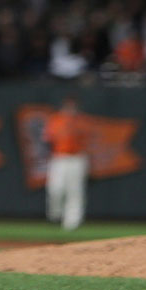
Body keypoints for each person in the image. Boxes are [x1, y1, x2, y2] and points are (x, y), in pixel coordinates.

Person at [43, 96, 89, 230]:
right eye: (68, 106)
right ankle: (55, 214)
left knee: (75, 191)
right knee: (55, 189)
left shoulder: (82, 121)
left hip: (77, 158)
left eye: (73, 106)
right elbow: (47, 139)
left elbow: (87, 141)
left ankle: (72, 222)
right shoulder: (56, 120)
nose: (70, 109)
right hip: (59, 158)